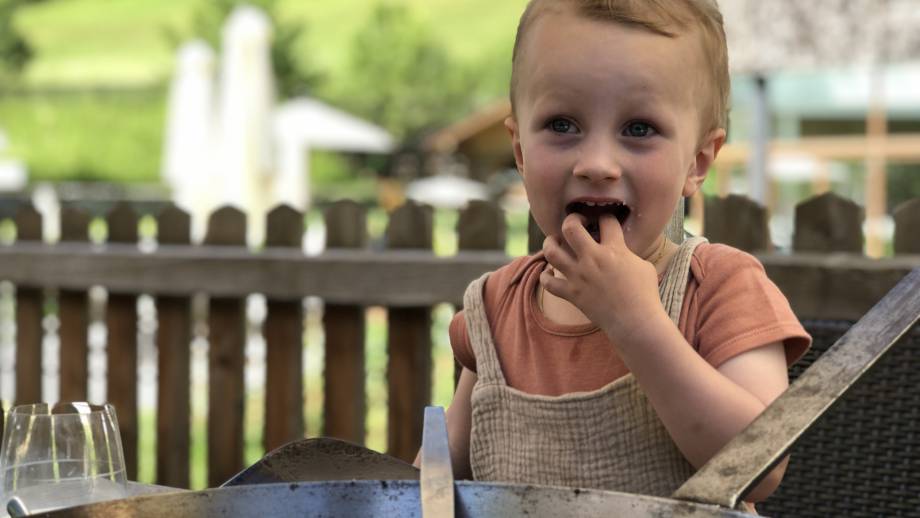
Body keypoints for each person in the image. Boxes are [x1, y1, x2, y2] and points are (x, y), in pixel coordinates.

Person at [416, 0, 811, 507]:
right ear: (519, 151)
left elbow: (761, 467)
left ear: (697, 161)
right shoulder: (495, 308)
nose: (597, 163)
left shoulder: (720, 287)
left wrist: (636, 323)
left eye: (639, 129)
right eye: (562, 125)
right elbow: (437, 483)